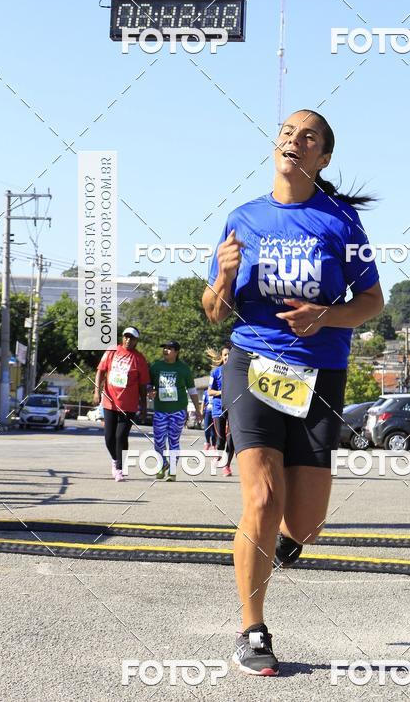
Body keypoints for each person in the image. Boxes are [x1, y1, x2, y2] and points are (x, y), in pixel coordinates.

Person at [202, 109, 384, 676]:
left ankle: (280, 544)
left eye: (308, 137)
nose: (293, 141)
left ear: (323, 158)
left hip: (320, 373)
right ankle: (251, 628)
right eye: (286, 133)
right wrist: (223, 276)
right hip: (252, 363)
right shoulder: (243, 218)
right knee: (261, 498)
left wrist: (324, 315)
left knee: (304, 524)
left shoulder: (341, 223)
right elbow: (214, 312)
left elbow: (372, 302)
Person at [94, 326, 149, 482]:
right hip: (110, 402)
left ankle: (119, 468)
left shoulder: (139, 359)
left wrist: (144, 406)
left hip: (129, 405)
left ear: (136, 341)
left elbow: (142, 385)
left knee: (120, 436)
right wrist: (97, 391)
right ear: (122, 337)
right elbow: (100, 371)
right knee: (108, 437)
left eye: (132, 338)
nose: (128, 340)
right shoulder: (112, 351)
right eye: (126, 336)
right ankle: (115, 459)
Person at [150, 341, 201, 481]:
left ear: (176, 352)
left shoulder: (183, 368)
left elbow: (192, 390)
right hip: (160, 410)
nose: (165, 350)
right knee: (158, 441)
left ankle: (172, 471)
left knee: (173, 440)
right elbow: (149, 384)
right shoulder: (156, 367)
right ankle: (163, 464)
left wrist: (198, 410)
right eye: (164, 348)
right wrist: (150, 391)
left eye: (169, 348)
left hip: (178, 410)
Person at [208, 346, 234, 477]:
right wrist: (221, 392)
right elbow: (209, 391)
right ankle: (217, 456)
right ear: (222, 357)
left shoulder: (238, 372)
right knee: (221, 440)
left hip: (233, 409)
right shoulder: (216, 372)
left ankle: (227, 466)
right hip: (218, 409)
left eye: (229, 354)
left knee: (231, 440)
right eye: (225, 355)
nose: (227, 357)